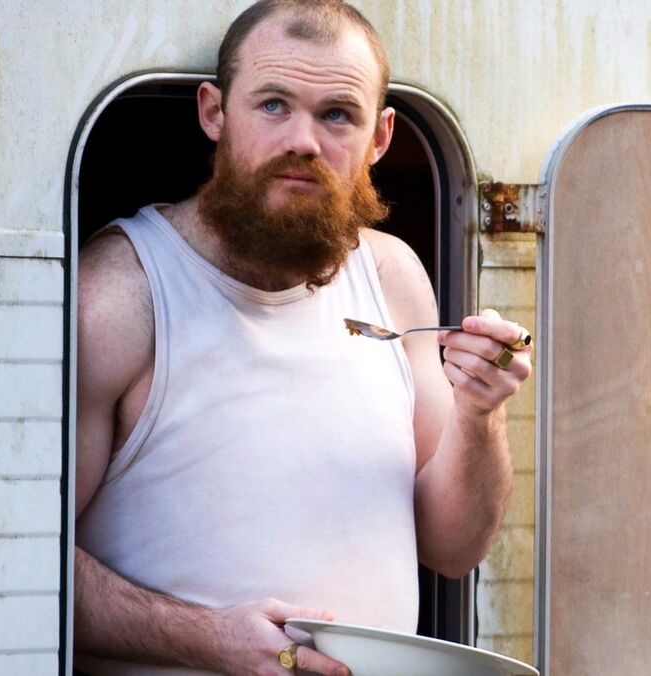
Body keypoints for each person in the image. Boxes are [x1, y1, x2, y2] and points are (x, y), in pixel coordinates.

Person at [72, 1, 532, 674]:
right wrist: (206, 637)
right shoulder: (123, 293)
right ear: (213, 113)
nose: (303, 141)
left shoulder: (391, 276)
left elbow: (454, 549)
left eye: (337, 114)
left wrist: (481, 410)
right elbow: (25, 561)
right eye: (273, 105)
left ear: (380, 137)